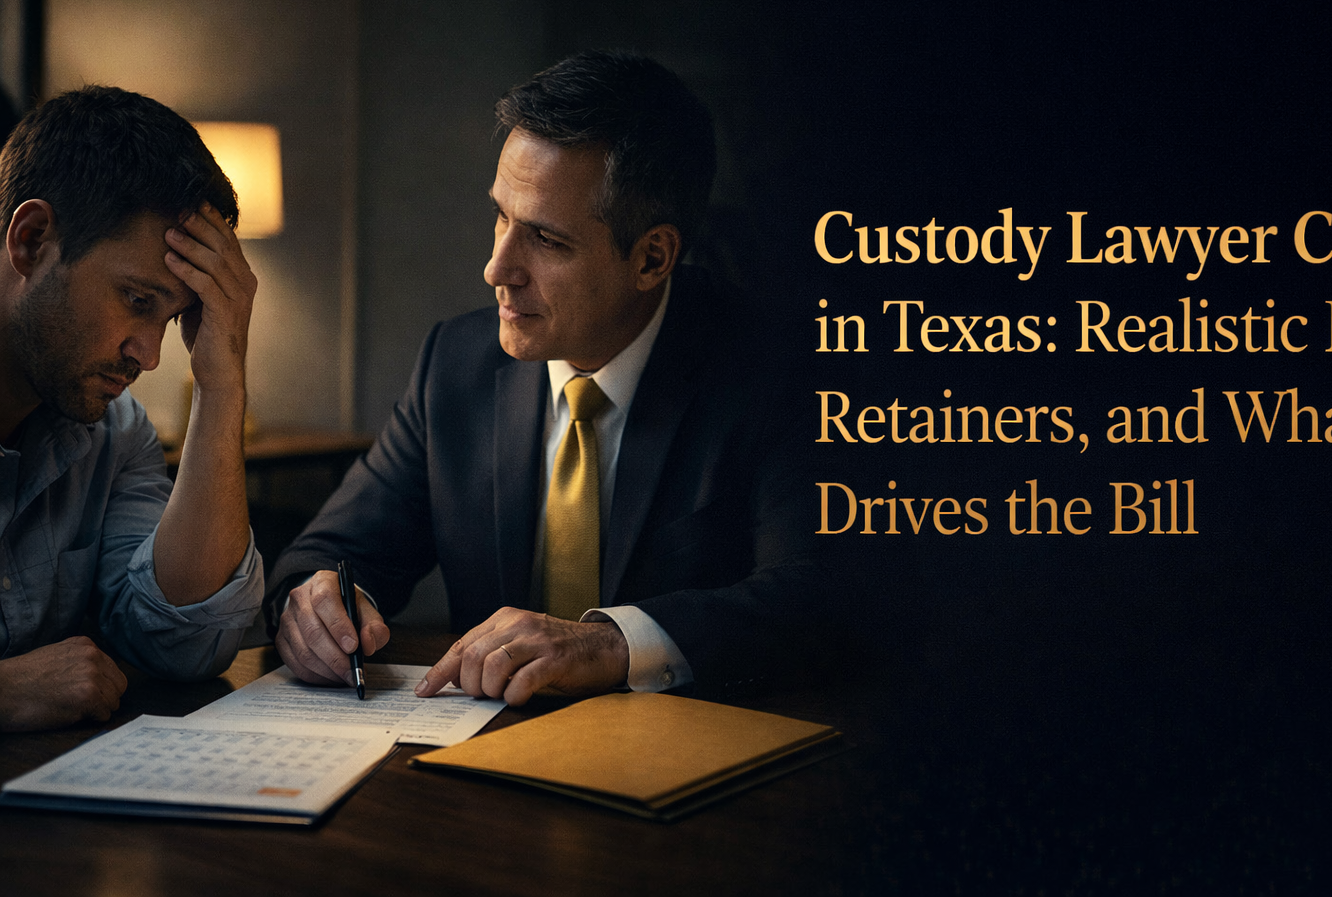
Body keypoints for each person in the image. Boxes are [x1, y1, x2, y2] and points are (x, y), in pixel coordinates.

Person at [268, 51, 822, 705]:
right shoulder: (457, 362)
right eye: (501, 216)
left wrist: (612, 643)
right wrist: (320, 605)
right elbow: (331, 553)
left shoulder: (779, 371)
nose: (496, 268)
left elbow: (821, 599)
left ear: (652, 258)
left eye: (546, 240)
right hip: (477, 763)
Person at [0, 86, 263, 732]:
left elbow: (181, 642)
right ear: (32, 241)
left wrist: (221, 385)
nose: (148, 356)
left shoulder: (113, 436)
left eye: (172, 318)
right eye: (137, 300)